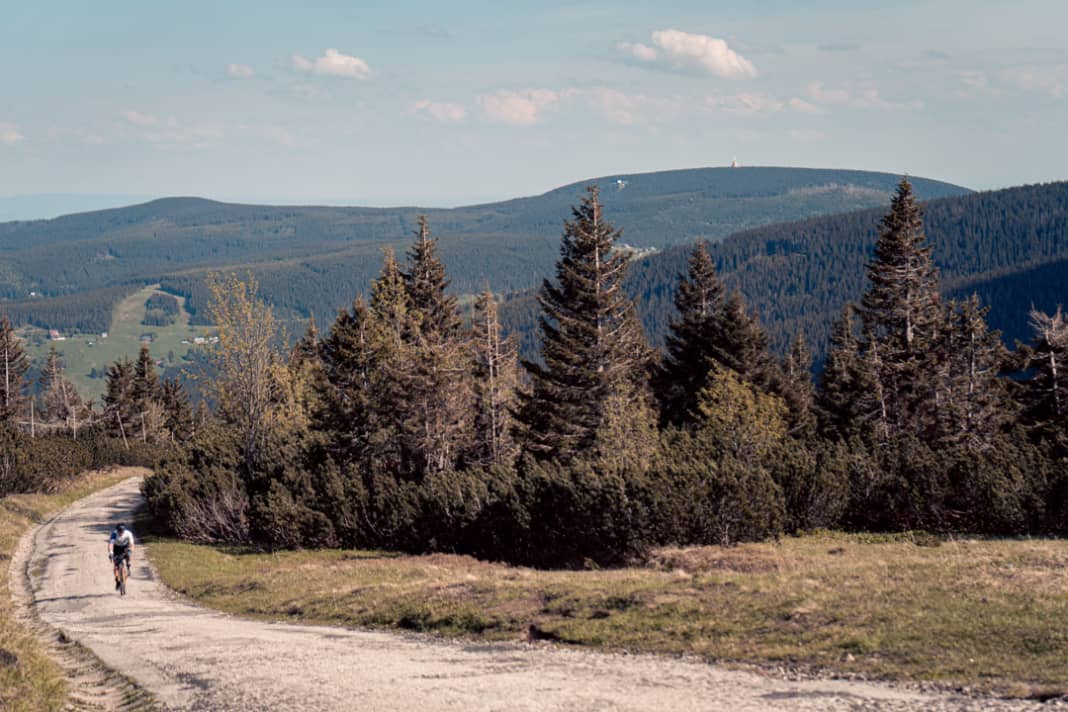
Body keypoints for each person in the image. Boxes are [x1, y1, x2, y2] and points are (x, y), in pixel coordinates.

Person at [108, 523, 134, 590]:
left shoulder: (128, 534)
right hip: (116, 548)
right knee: (116, 566)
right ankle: (117, 580)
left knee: (128, 554)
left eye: (122, 532)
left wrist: (130, 550)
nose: (120, 533)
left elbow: (131, 544)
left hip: (125, 547)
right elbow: (110, 544)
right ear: (117, 530)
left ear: (124, 531)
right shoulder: (114, 534)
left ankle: (128, 565)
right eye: (119, 531)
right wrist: (111, 552)